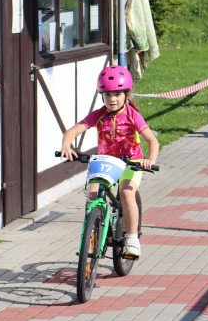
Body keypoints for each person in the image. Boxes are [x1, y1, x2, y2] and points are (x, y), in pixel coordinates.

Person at [60, 65, 159, 259]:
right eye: (107, 95)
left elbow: (152, 141)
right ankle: (93, 230)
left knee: (126, 193)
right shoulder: (99, 114)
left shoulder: (132, 115)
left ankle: (132, 239)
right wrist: (66, 145)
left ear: (126, 95)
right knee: (92, 194)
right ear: (102, 96)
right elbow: (73, 131)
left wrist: (149, 160)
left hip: (131, 162)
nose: (112, 99)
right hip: (107, 162)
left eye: (117, 95)